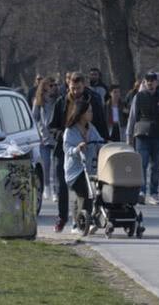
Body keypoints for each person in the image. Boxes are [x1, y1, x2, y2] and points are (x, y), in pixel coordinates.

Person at [49, 72, 108, 233]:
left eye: (79, 88)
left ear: (84, 85)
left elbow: (100, 124)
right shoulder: (62, 102)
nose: (76, 91)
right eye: (73, 88)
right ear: (68, 86)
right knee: (64, 186)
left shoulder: (92, 100)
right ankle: (62, 218)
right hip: (66, 147)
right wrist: (61, 134)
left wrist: (104, 143)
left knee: (87, 187)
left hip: (88, 147)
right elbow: (52, 126)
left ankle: (84, 219)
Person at [126, 72, 159, 205]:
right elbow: (132, 116)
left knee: (156, 166)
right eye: (148, 81)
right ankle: (141, 191)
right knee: (142, 164)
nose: (150, 83)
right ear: (145, 82)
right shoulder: (139, 97)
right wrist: (128, 135)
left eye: (152, 81)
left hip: (158, 135)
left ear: (156, 82)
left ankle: (154, 193)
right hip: (142, 135)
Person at [63, 99, 104, 235]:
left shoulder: (91, 128)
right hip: (74, 171)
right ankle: (82, 223)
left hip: (89, 169)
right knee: (85, 193)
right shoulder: (70, 131)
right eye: (89, 111)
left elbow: (99, 142)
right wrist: (77, 149)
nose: (92, 114)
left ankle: (82, 222)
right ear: (81, 114)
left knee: (90, 194)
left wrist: (105, 145)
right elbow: (67, 150)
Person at [32, 77, 59, 202]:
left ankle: (55, 191)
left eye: (55, 85)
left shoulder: (58, 100)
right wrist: (39, 133)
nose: (53, 87)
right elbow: (35, 118)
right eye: (50, 85)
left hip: (56, 137)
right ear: (44, 87)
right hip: (43, 138)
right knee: (46, 165)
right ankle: (46, 187)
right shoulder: (39, 101)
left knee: (56, 166)